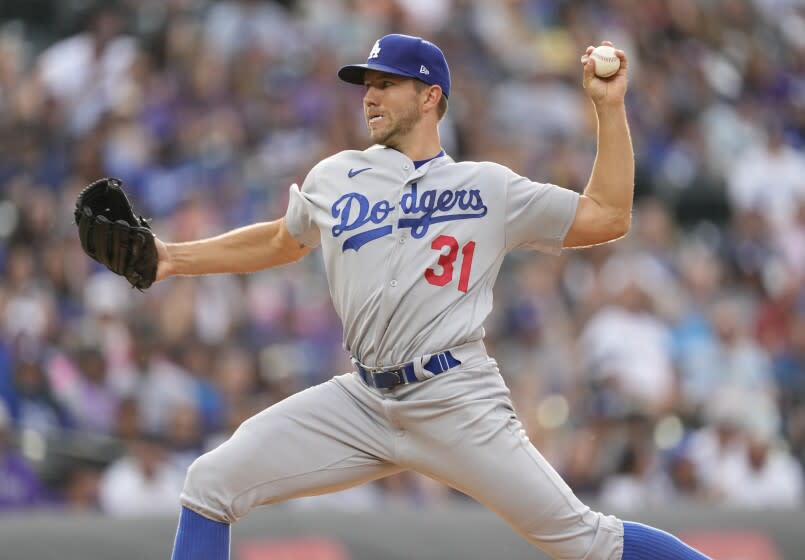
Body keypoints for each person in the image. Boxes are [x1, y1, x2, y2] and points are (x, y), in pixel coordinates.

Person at [161, 34, 710, 560]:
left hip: (455, 398)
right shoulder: (335, 175)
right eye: (366, 85)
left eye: (386, 83)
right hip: (362, 400)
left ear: (430, 97)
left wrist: (609, 108)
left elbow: (607, 216)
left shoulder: (488, 187)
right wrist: (171, 258)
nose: (370, 95)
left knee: (586, 542)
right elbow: (283, 240)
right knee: (209, 483)